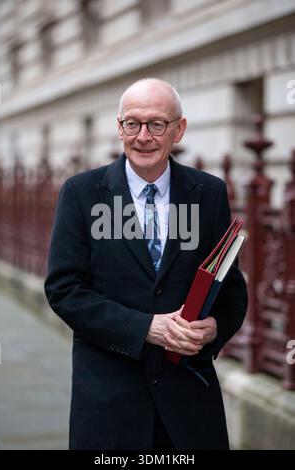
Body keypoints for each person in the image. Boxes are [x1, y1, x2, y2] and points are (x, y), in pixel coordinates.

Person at [44, 78, 247, 450]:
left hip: (189, 404)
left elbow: (231, 288)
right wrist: (145, 328)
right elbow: (64, 290)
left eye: (156, 124)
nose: (142, 137)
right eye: (132, 124)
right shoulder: (81, 193)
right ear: (119, 127)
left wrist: (214, 328)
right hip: (109, 406)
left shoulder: (210, 193)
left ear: (179, 130)